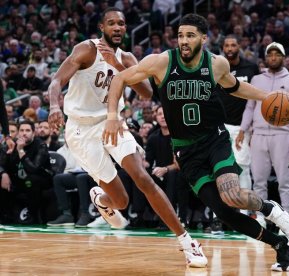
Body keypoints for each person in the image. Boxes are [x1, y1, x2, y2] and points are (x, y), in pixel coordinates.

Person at [103, 13, 289, 272]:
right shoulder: (162, 62)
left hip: (214, 140)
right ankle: (281, 245)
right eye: (181, 35)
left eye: (190, 35)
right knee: (224, 212)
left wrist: (266, 97)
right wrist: (112, 116)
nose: (184, 40)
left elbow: (233, 87)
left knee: (231, 196)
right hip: (185, 151)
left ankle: (270, 210)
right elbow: (119, 78)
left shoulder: (216, 64)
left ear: (204, 38)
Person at [47, 8, 207, 268]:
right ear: (102, 27)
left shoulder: (128, 58)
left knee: (142, 177)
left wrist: (118, 66)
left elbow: (145, 93)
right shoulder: (86, 50)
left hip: (112, 122)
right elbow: (56, 82)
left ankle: (187, 242)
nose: (118, 27)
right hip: (81, 129)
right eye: (112, 23)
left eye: (121, 23)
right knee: (121, 201)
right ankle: (102, 198)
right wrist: (54, 106)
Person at [238, 42, 289, 227]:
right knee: (258, 180)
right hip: (258, 134)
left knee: (284, 180)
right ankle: (261, 217)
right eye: (270, 54)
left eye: (277, 54)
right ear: (266, 58)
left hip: (282, 135)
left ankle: (288, 219)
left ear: (284, 57)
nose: (273, 57)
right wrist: (243, 130)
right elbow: (249, 107)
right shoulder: (256, 80)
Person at [216, 35, 259, 216]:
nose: (230, 48)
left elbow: (256, 98)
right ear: (223, 48)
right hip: (221, 126)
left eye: (234, 45)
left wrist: (251, 125)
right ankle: (220, 214)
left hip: (243, 127)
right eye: (227, 45)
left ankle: (245, 212)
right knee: (219, 169)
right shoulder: (217, 67)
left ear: (239, 47)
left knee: (243, 167)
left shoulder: (251, 67)